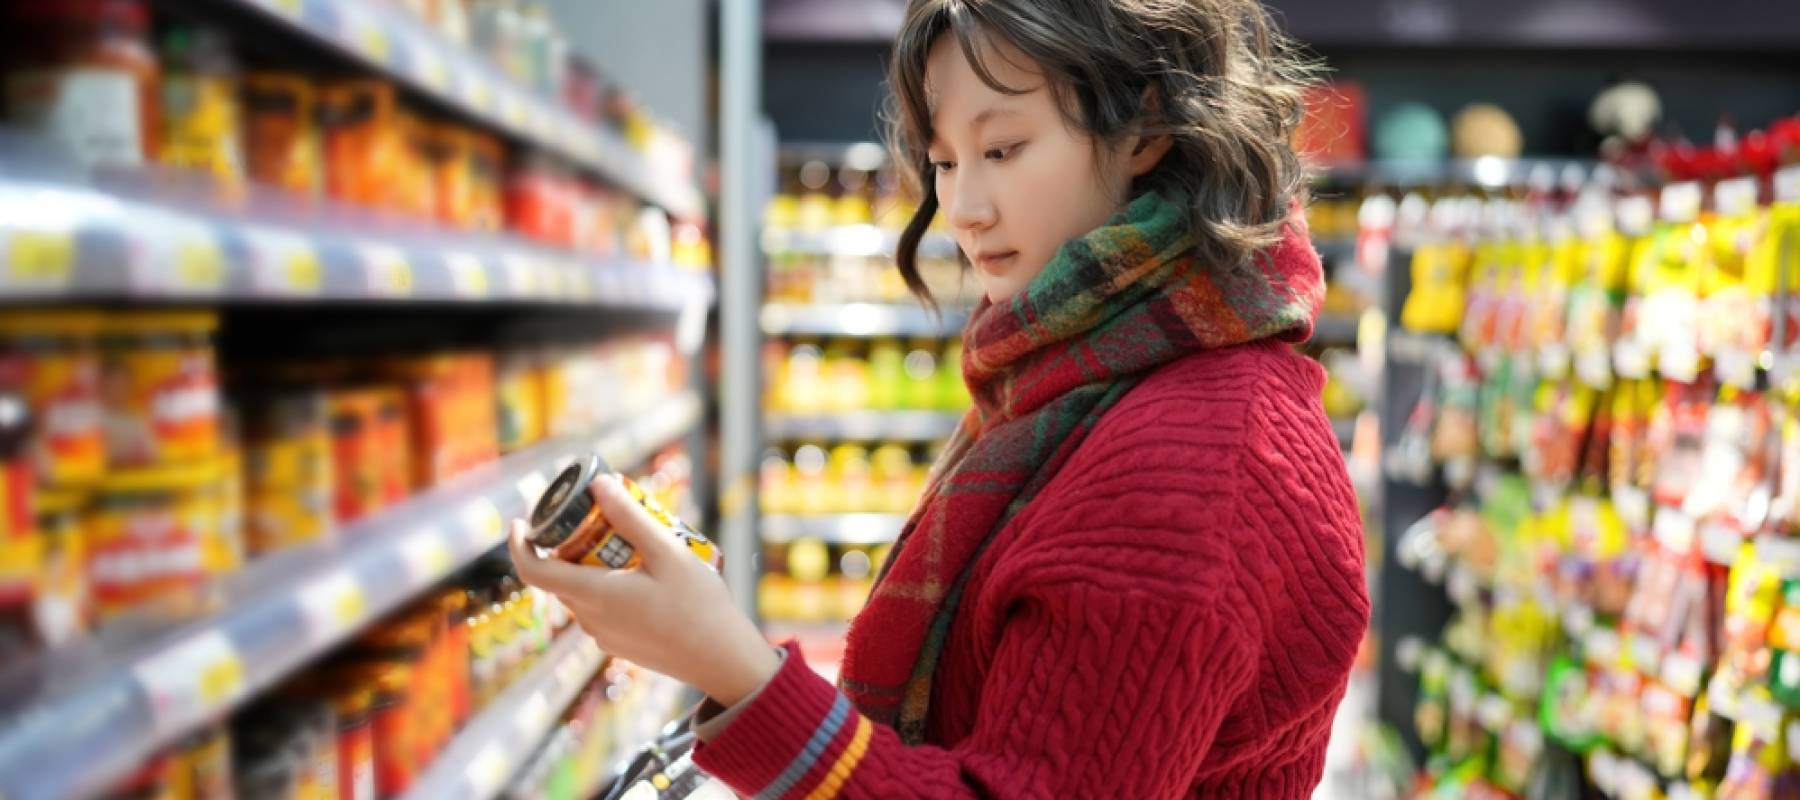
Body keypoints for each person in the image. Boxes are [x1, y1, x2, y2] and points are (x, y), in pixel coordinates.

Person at [507, 0, 1370, 796]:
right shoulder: (1098, 369)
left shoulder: (1187, 465)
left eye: (1002, 150)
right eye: (944, 161)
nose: (961, 208)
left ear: (1143, 125)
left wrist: (734, 671)